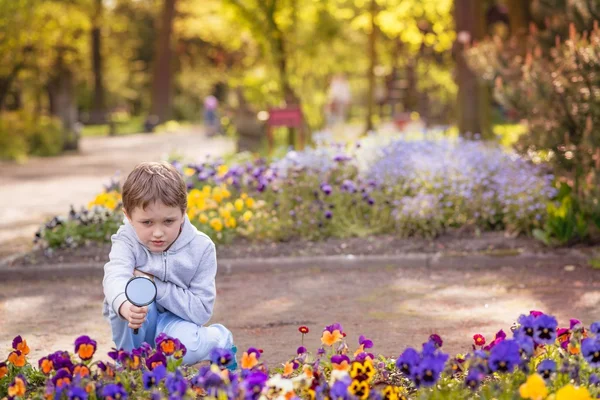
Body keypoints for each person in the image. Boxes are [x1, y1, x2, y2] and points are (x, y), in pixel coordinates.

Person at [102, 161, 236, 368]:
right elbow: (115, 276)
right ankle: (130, 363)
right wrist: (124, 306)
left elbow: (201, 311)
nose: (158, 233)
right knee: (131, 294)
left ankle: (218, 338)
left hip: (178, 322)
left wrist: (155, 285)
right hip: (139, 320)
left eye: (168, 221)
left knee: (184, 351)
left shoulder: (201, 248)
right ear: (128, 215)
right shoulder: (126, 240)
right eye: (147, 222)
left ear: (183, 213)